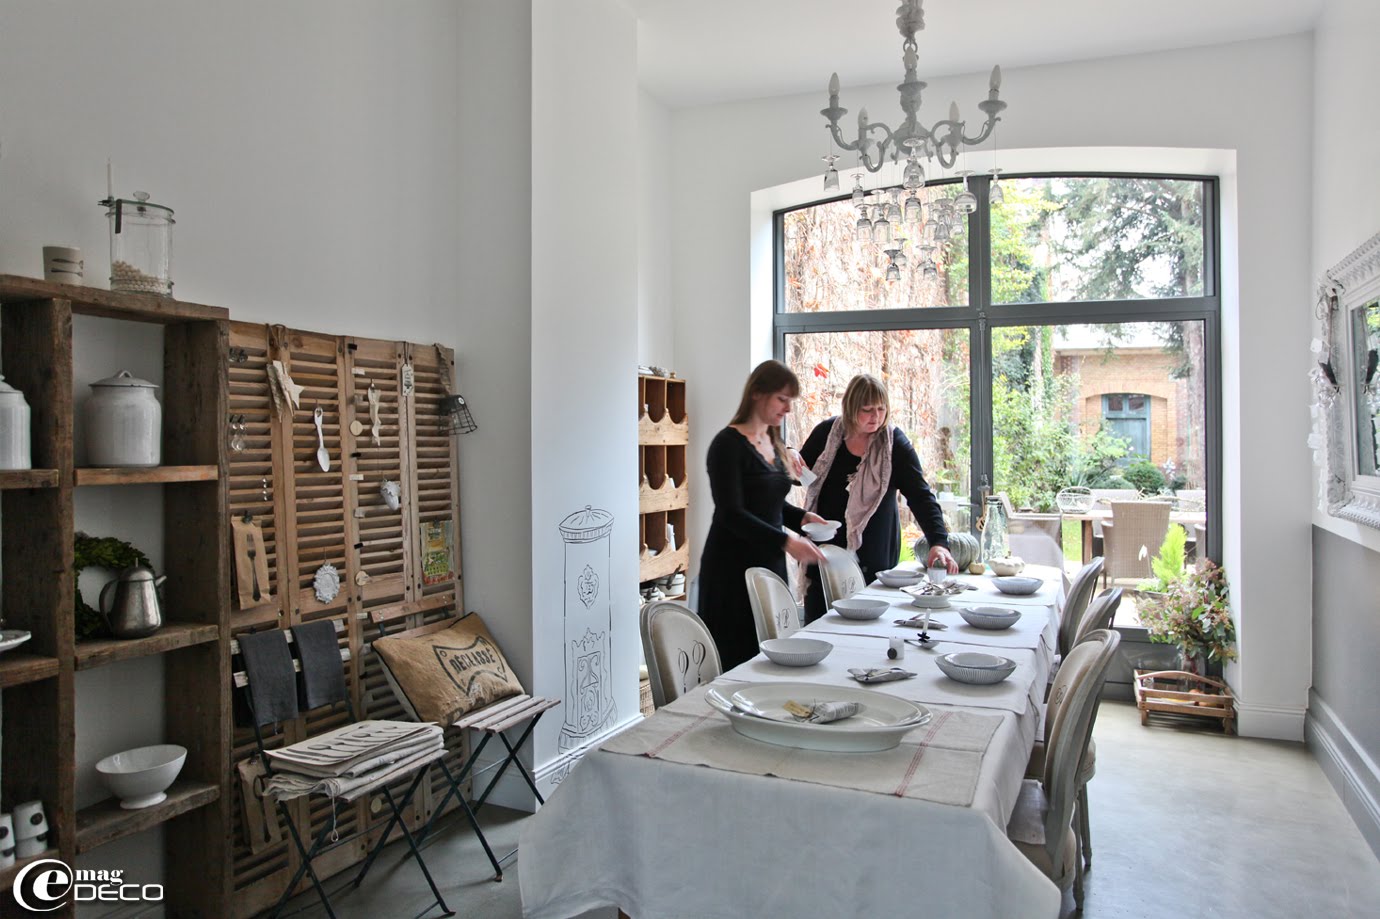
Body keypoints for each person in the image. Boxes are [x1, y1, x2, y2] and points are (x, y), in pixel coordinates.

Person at [698, 360, 826, 669]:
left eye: (790, 401)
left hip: (768, 560)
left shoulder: (773, 441)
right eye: (782, 399)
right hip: (732, 569)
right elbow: (732, 513)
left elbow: (769, 502)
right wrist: (787, 541)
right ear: (757, 393)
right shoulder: (726, 445)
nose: (788, 409)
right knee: (736, 657)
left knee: (769, 654)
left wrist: (802, 518)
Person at [799, 373, 957, 622]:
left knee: (871, 627)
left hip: (875, 556)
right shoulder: (826, 434)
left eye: (881, 409)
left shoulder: (895, 445)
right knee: (820, 624)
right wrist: (787, 458)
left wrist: (938, 541)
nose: (876, 417)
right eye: (867, 410)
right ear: (851, 408)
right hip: (824, 554)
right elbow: (800, 474)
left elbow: (920, 496)